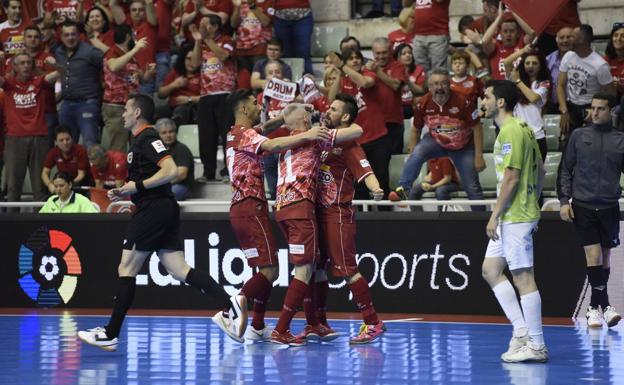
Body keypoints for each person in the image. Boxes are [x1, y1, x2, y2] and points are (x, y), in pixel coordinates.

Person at [77, 94, 246, 351]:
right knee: (179, 269)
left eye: (126, 108)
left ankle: (111, 333)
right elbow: (148, 178)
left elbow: (170, 170)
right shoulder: (139, 141)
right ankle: (230, 303)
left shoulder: (148, 136)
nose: (122, 113)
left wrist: (139, 186)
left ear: (137, 113)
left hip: (153, 209)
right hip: (159, 207)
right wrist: (127, 190)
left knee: (126, 267)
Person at [224, 89, 331, 342]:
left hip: (241, 209)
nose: (258, 105)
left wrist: (285, 117)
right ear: (243, 109)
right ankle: (229, 310)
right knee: (270, 270)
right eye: (253, 102)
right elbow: (273, 143)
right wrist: (309, 132)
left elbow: (265, 129)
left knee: (264, 268)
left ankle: (258, 325)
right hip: (252, 207)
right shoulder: (246, 134)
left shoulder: (234, 134)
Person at [270, 103, 363, 346]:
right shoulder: (314, 138)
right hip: (301, 209)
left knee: (315, 266)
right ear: (303, 120)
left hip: (283, 208)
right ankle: (281, 329)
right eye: (308, 115)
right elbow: (356, 132)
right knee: (304, 270)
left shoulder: (285, 143)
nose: (314, 117)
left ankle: (315, 324)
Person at [299, 93, 386, 344]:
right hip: (316, 213)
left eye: (334, 109)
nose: (328, 110)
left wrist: (376, 188)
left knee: (348, 269)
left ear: (345, 116)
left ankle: (373, 322)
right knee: (315, 268)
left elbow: (366, 171)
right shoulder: (324, 140)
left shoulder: (349, 144)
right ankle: (318, 323)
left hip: (337, 213)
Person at [481, 79, 548, 363]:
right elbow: (542, 169)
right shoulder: (524, 129)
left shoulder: (510, 131)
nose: (481, 102)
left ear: (499, 102)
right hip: (518, 212)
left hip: (515, 215)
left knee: (523, 278)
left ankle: (537, 344)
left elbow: (511, 177)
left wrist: (495, 215)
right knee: (490, 270)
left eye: (485, 97)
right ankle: (521, 331)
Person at [558, 93, 622, 329]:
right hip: (583, 206)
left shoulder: (620, 140)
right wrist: (564, 200)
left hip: (609, 207)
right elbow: (565, 169)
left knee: (605, 259)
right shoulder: (578, 135)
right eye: (592, 108)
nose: (594, 113)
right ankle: (604, 306)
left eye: (600, 109)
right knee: (594, 255)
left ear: (611, 112)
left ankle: (595, 309)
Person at [388, 69, 486, 211]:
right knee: (417, 153)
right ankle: (403, 190)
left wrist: (479, 156)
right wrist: (412, 156)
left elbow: (477, 127)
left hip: (462, 146)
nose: (439, 88)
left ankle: (481, 224)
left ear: (450, 84)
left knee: (472, 186)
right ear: (429, 87)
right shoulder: (422, 103)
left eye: (443, 83)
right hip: (436, 142)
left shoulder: (464, 101)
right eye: (435, 84)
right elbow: (415, 130)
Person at [327, 48, 391, 200]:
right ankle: (363, 217)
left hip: (377, 137)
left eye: (357, 58)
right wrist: (340, 73)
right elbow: (331, 99)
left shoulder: (368, 74)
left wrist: (343, 66)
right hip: (355, 140)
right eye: (351, 58)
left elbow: (364, 82)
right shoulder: (344, 80)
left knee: (380, 178)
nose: (355, 60)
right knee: (359, 183)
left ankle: (386, 216)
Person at [1, 52, 60, 204]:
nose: (26, 65)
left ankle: (39, 224)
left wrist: (55, 64)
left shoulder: (39, 81)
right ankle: (10, 224)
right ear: (14, 66)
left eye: (28, 62)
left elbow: (64, 72)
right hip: (15, 138)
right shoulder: (9, 84)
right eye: (22, 63)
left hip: (39, 137)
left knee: (39, 186)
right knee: (13, 185)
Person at [190, 15, 235, 182]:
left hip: (225, 95)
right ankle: (208, 172)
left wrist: (206, 40)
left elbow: (223, 56)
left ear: (215, 26)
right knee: (206, 136)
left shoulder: (228, 40)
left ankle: (228, 172)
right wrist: (197, 41)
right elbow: (194, 64)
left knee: (227, 135)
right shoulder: (201, 43)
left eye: (204, 24)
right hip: (206, 96)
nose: (200, 27)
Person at [557, 25, 616, 138]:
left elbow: (611, 94)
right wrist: (564, 110)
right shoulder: (568, 56)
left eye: (572, 36)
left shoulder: (600, 65)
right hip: (571, 106)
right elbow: (560, 85)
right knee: (569, 144)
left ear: (582, 40)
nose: (568, 40)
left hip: (590, 107)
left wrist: (596, 111)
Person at [54, 20, 104, 148]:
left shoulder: (90, 52)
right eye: (66, 35)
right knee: (65, 146)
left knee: (90, 144)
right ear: (61, 37)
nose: (70, 38)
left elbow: (109, 65)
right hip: (66, 104)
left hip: (87, 104)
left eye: (73, 34)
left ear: (79, 35)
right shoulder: (58, 53)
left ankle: (93, 168)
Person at [102, 25, 151, 152]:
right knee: (118, 148)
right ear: (128, 37)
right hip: (117, 107)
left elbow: (137, 77)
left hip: (132, 105)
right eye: (134, 36)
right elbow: (113, 67)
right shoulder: (112, 52)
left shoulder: (129, 56)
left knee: (134, 147)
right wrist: (135, 49)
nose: (135, 39)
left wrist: (147, 74)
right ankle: (117, 172)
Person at [504, 46, 551, 161]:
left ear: (540, 66)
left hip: (536, 137)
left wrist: (518, 81)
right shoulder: (516, 80)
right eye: (527, 63)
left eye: (534, 63)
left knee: (535, 178)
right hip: (517, 136)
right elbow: (506, 62)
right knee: (518, 176)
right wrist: (523, 51)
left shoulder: (544, 83)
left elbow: (533, 98)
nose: (530, 66)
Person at [369, 37, 407, 155]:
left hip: (393, 121)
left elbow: (396, 85)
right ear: (373, 53)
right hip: (374, 124)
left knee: (395, 158)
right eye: (378, 53)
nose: (381, 56)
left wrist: (378, 72)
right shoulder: (367, 69)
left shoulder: (398, 66)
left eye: (384, 52)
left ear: (390, 51)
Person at [482, 3, 535, 81]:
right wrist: (499, 17)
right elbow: (485, 41)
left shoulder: (522, 44)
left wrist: (513, 12)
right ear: (500, 33)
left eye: (512, 31)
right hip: (499, 88)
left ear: (518, 34)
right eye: (505, 31)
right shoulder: (496, 47)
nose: (508, 34)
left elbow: (531, 33)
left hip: (519, 88)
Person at [158, 44, 201, 126]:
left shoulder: (203, 75)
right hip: (172, 106)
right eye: (188, 59)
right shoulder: (176, 72)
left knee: (180, 112)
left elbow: (207, 97)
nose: (191, 62)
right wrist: (174, 85)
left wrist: (189, 99)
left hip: (192, 107)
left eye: (194, 59)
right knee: (156, 112)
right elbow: (161, 94)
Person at [401, 0, 450, 72]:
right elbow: (405, 4)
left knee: (439, 70)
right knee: (420, 71)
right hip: (418, 34)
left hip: (437, 34)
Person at [42, 125, 91, 194]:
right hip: (64, 185)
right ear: (56, 142)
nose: (65, 143)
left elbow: (81, 175)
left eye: (67, 139)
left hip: (81, 185)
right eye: (61, 140)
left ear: (72, 139)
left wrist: (67, 185)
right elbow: (44, 173)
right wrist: (50, 185)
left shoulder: (80, 150)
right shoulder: (53, 152)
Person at [155, 118, 194, 201]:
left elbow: (181, 175)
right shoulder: (158, 150)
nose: (168, 135)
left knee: (165, 195)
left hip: (181, 186)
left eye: (171, 132)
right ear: (158, 135)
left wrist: (159, 185)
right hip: (164, 185)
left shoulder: (181, 149)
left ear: (176, 133)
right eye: (164, 133)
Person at [272, 0, 313, 75]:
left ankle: (308, 82)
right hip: (280, 17)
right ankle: (285, 81)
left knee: (303, 51)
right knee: (284, 52)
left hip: (303, 16)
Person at [545, 26, 574, 114]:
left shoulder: (580, 58)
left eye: (569, 37)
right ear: (557, 41)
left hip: (573, 106)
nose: (565, 40)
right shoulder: (548, 59)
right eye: (562, 38)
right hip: (552, 106)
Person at [394, 43, 425, 119]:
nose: (408, 55)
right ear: (397, 58)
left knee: (420, 99)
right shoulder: (392, 71)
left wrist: (407, 80)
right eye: (404, 54)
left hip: (411, 104)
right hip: (396, 105)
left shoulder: (419, 70)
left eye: (410, 53)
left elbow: (421, 90)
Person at [604, 23, 624, 100]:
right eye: (615, 35)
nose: (618, 38)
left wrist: (620, 87)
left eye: (623, 36)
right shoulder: (605, 60)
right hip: (608, 99)